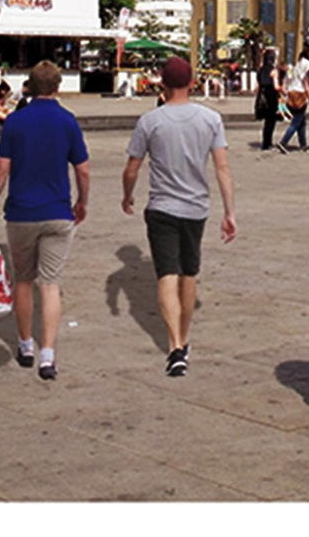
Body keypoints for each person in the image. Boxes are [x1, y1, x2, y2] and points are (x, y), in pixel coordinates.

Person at [121, 55, 235, 377]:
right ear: (191, 82)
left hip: (162, 208)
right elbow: (222, 167)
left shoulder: (150, 121)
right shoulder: (211, 119)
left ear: (162, 84)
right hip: (196, 208)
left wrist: (127, 195)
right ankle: (183, 340)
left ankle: (174, 347)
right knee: (189, 273)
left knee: (167, 275)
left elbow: (132, 168)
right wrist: (229, 212)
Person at [0, 60, 89, 381]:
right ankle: (48, 354)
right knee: (51, 284)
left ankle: (25, 344)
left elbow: (2, 167)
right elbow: (82, 168)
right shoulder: (67, 121)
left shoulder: (15, 121)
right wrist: (82, 201)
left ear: (29, 86)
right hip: (58, 212)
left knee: (24, 280)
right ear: (57, 87)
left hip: (21, 213)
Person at [278, 44, 309, 153]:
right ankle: (283, 142)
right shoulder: (307, 64)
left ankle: (303, 144)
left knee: (302, 121)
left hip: (292, 92)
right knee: (296, 121)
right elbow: (305, 83)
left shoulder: (297, 64)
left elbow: (289, 79)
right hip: (300, 93)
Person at [255, 49, 281, 152]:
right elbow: (276, 86)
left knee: (267, 122)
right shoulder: (273, 71)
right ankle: (267, 143)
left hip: (262, 96)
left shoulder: (261, 70)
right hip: (271, 97)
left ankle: (265, 142)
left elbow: (258, 84)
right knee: (271, 121)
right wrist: (282, 90)